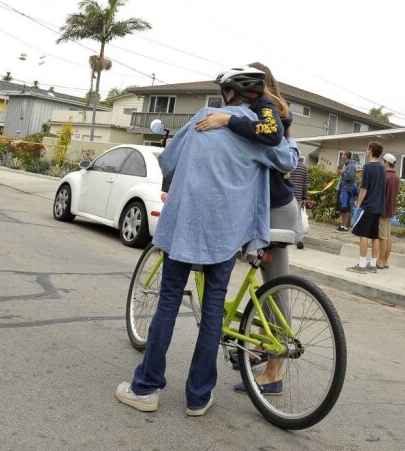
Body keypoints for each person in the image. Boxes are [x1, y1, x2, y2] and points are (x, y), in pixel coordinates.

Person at [115, 67, 298, 416]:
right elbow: (288, 159)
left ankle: (146, 388)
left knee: (169, 299)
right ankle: (198, 397)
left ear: (229, 93)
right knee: (214, 305)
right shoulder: (258, 134)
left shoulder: (204, 118)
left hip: (185, 224)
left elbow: (168, 160)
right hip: (226, 232)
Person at [193, 62, 298, 394]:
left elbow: (284, 155)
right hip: (256, 207)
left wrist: (226, 119)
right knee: (257, 284)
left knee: (275, 288)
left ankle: (276, 369)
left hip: (275, 209)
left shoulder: (268, 115)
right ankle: (256, 344)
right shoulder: (263, 111)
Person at [346, 141, 385, 274]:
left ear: (370, 150)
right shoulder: (382, 168)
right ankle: (373, 264)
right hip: (378, 206)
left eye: (367, 148)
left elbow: (364, 188)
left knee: (363, 234)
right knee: (375, 235)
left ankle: (362, 264)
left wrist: (358, 204)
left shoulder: (368, 167)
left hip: (368, 206)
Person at [377, 153, 400, 268]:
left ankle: (380, 261)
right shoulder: (395, 177)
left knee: (382, 237)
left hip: (383, 210)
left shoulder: (385, 176)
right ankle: (386, 261)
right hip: (391, 210)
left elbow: (381, 194)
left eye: (383, 161)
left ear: (386, 163)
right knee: (388, 236)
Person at [290, 156, 309, 249]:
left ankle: (295, 238)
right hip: (298, 195)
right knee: (297, 217)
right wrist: (304, 197)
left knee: (290, 216)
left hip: (287, 194)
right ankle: (298, 238)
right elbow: (305, 184)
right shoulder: (303, 167)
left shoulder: (288, 164)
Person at [335, 151, 357, 232]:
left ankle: (345, 226)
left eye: (343, 155)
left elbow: (350, 177)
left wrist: (341, 172)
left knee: (346, 209)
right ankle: (342, 225)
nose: (342, 156)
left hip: (347, 189)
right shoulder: (346, 165)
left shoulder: (351, 166)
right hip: (343, 189)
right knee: (343, 208)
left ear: (347, 156)